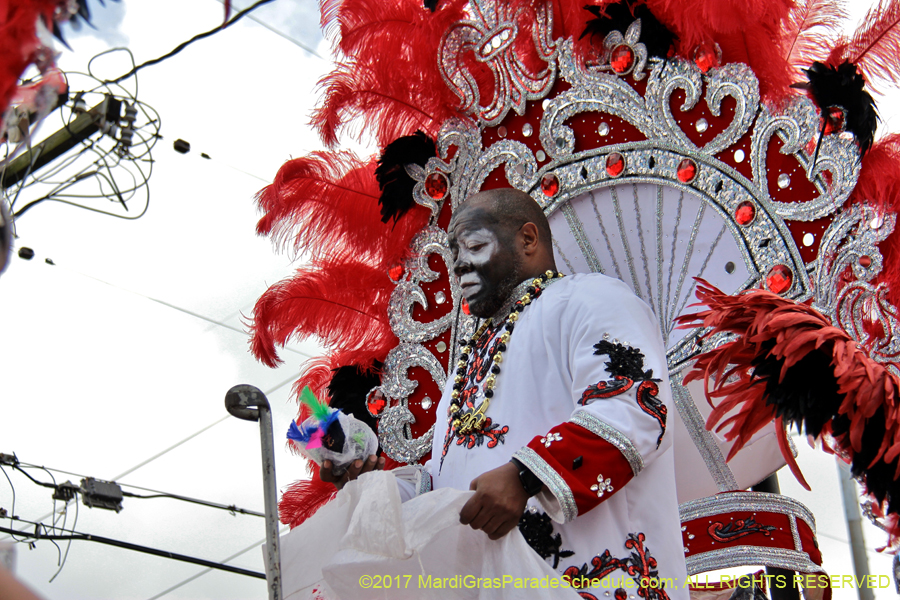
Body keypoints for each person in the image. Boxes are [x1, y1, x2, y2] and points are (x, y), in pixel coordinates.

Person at [320, 188, 687, 599]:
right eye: (453, 256)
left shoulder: (591, 298)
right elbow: (451, 490)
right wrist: (381, 490)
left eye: (474, 246)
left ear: (528, 239)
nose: (459, 266)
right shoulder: (468, 363)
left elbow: (636, 405)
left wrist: (525, 476)